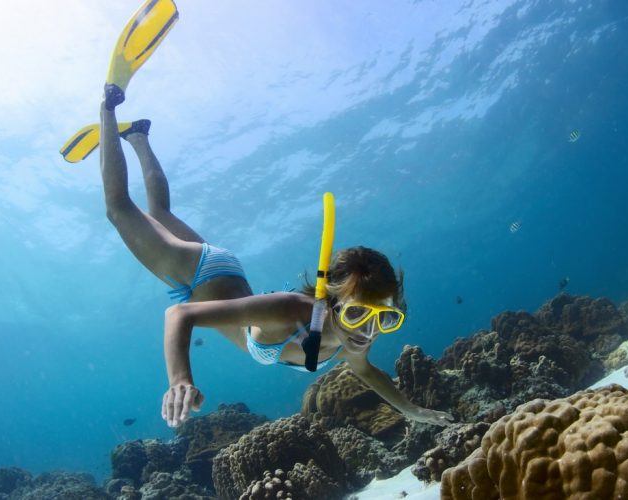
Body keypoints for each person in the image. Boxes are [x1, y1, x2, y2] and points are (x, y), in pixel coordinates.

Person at [97, 99, 453, 429]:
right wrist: (180, 380)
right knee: (118, 209)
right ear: (330, 303)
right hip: (200, 272)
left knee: (159, 214)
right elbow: (180, 315)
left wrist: (411, 409)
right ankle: (109, 104)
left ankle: (139, 136)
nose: (369, 332)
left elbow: (366, 370)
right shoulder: (290, 312)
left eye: (385, 318)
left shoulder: (356, 332)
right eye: (358, 314)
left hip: (226, 276)